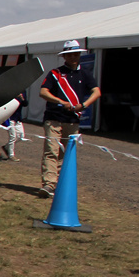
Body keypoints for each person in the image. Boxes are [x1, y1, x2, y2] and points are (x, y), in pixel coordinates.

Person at [37, 40, 100, 196]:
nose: (73, 57)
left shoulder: (85, 74)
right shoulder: (55, 73)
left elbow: (96, 92)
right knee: (51, 151)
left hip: (72, 119)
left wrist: (83, 105)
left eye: (76, 54)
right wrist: (60, 101)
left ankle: (57, 182)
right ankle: (49, 184)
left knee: (64, 153)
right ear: (64, 56)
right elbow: (43, 92)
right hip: (54, 117)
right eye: (70, 54)